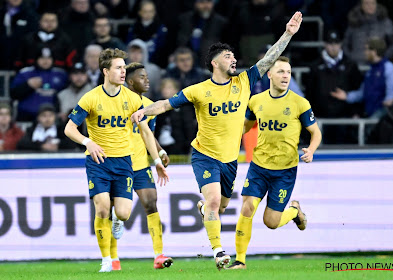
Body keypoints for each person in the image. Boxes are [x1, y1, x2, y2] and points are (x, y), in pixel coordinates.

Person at [132, 12, 303, 270]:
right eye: (227, 56)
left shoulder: (244, 81)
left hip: (230, 161)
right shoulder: (198, 90)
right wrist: (144, 111)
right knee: (213, 202)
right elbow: (166, 104)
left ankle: (208, 213)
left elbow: (268, 60)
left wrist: (288, 33)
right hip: (204, 155)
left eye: (234, 56)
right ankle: (219, 252)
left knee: (219, 207)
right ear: (214, 63)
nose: (233, 59)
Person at [64, 48, 169, 272]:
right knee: (102, 207)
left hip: (124, 163)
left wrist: (157, 160)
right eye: (119, 68)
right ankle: (106, 261)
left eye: (124, 67)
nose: (123, 72)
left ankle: (118, 221)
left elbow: (146, 132)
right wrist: (87, 143)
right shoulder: (91, 98)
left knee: (122, 212)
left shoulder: (132, 99)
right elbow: (69, 128)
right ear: (105, 71)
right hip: (98, 161)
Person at [227, 56, 322, 269]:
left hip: (285, 171)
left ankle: (295, 212)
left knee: (271, 222)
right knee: (247, 208)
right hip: (259, 167)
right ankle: (240, 260)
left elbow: (316, 133)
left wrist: (312, 150)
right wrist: (227, 136)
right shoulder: (256, 100)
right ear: (269, 74)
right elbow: (246, 125)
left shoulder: (300, 103)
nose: (285, 76)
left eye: (288, 72)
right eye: (280, 72)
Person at [111, 62, 173, 269]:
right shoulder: (116, 103)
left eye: (147, 76)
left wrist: (160, 151)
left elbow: (147, 134)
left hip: (140, 164)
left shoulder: (149, 105)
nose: (147, 80)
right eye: (141, 77)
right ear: (130, 82)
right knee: (118, 212)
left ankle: (159, 255)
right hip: (118, 164)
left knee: (151, 203)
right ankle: (113, 258)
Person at [306, 30, 363, 144]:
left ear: (340, 44)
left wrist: (356, 112)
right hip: (321, 117)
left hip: (345, 118)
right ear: (325, 44)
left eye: (336, 43)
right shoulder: (315, 66)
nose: (333, 47)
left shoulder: (350, 65)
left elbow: (358, 89)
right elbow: (310, 93)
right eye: (330, 43)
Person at [331, 37, 393, 119]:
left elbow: (392, 95)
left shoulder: (389, 68)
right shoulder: (370, 70)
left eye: (367, 49)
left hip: (382, 115)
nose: (365, 52)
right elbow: (363, 92)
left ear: (374, 51)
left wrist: (387, 104)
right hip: (369, 112)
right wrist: (347, 96)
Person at [10, 47, 68, 121]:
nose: (45, 61)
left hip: (51, 118)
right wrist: (27, 85)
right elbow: (13, 94)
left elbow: (65, 94)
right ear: (36, 59)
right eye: (42, 58)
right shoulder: (25, 73)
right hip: (26, 116)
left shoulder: (61, 74)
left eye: (48, 58)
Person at [342, 0, 393, 64]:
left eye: (373, 3)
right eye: (367, 3)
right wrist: (351, 57)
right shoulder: (354, 22)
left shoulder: (385, 22)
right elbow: (345, 45)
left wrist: (382, 58)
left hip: (379, 65)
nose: (370, 6)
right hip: (357, 64)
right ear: (361, 5)